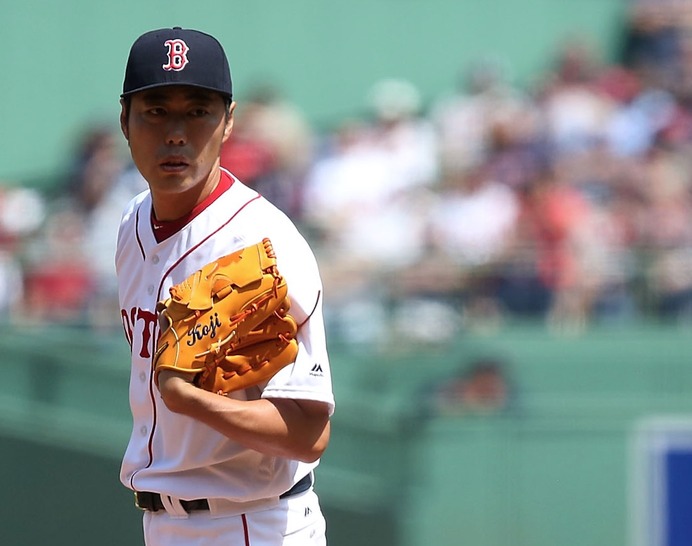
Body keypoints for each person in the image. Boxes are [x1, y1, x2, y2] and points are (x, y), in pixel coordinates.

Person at [115, 27, 335, 546]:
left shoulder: (263, 244)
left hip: (253, 523)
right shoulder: (131, 224)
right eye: (156, 110)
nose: (176, 134)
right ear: (125, 120)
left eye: (198, 111)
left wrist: (192, 402)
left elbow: (309, 433)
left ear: (229, 121)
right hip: (163, 524)